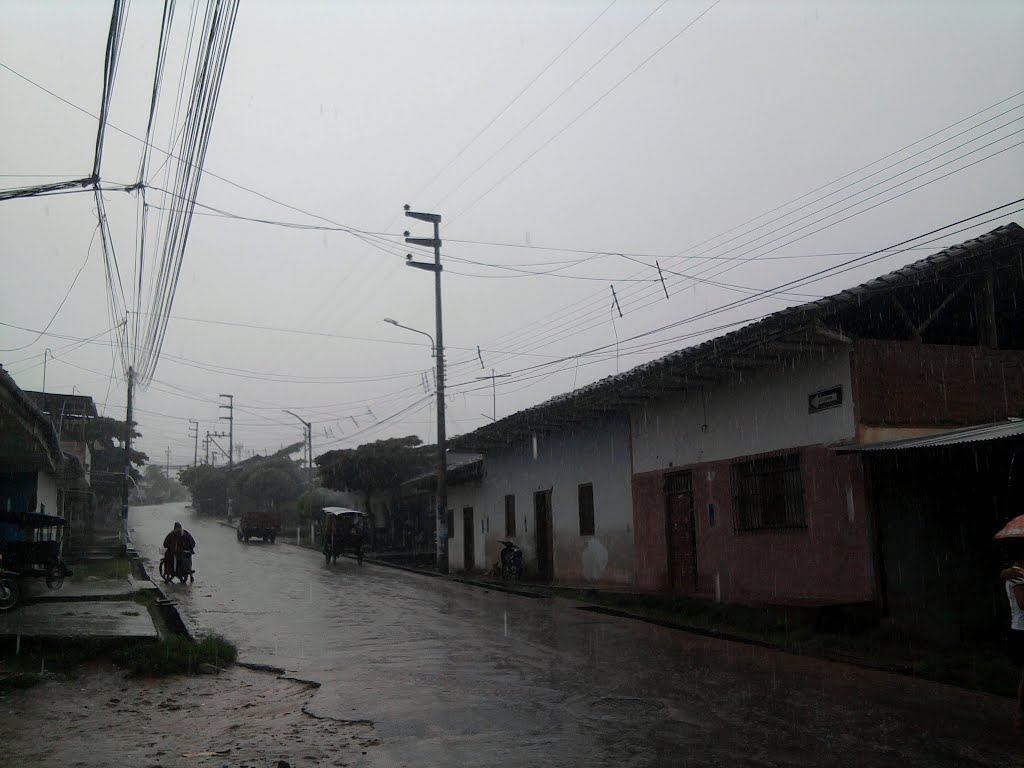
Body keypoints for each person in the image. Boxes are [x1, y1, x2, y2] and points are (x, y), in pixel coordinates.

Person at [1000, 556, 1024, 731]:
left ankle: (1020, 716)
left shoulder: (1015, 573)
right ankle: (1020, 715)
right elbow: (1023, 603)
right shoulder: (1018, 575)